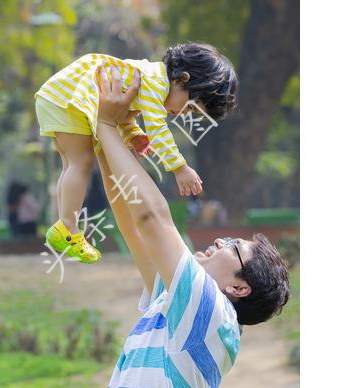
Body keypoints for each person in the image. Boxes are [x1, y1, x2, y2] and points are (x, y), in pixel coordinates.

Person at [94, 64, 289, 388]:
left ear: (238, 288)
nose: (219, 240)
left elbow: (152, 218)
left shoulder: (212, 313)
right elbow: (132, 221)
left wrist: (108, 126)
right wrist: (104, 138)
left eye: (232, 246)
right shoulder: (176, 303)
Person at [35, 43, 238, 264]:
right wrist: (180, 168)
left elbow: (123, 112)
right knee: (80, 163)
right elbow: (158, 130)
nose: (183, 114)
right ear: (182, 79)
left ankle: (64, 227)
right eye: (190, 107)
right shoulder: (157, 84)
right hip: (68, 96)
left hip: (59, 94)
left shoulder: (147, 76)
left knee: (71, 165)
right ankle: (68, 229)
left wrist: (133, 134)